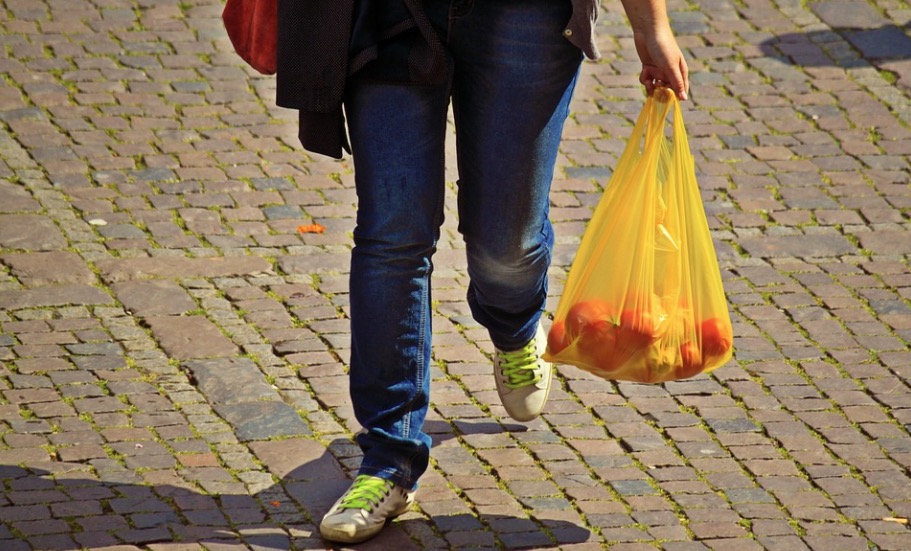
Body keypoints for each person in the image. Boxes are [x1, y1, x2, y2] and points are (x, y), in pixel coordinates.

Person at [275, 0, 689, 544]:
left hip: (525, 16)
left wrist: (651, 25)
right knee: (392, 234)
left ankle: (515, 323)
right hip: (387, 11)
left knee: (506, 244)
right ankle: (388, 460)